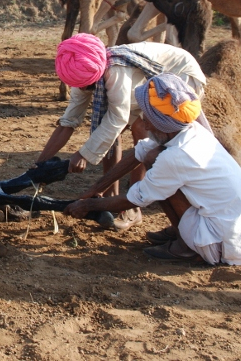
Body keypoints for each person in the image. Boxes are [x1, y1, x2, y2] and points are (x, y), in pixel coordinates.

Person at [64, 73, 241, 265]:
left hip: (220, 245)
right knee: (152, 158)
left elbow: (135, 198)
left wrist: (88, 205)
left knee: (159, 171)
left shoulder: (178, 155)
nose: (144, 121)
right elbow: (139, 153)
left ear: (162, 121)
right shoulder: (189, 131)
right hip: (229, 230)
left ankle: (187, 247)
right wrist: (96, 189)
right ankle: (182, 231)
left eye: (148, 115)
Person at [38, 33, 206, 232]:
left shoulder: (115, 72)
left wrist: (83, 154)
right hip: (139, 88)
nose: (84, 89)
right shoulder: (82, 74)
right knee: (110, 132)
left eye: (87, 85)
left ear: (96, 76)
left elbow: (117, 119)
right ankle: (111, 199)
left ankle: (132, 208)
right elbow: (68, 123)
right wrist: (39, 165)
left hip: (177, 77)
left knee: (144, 134)